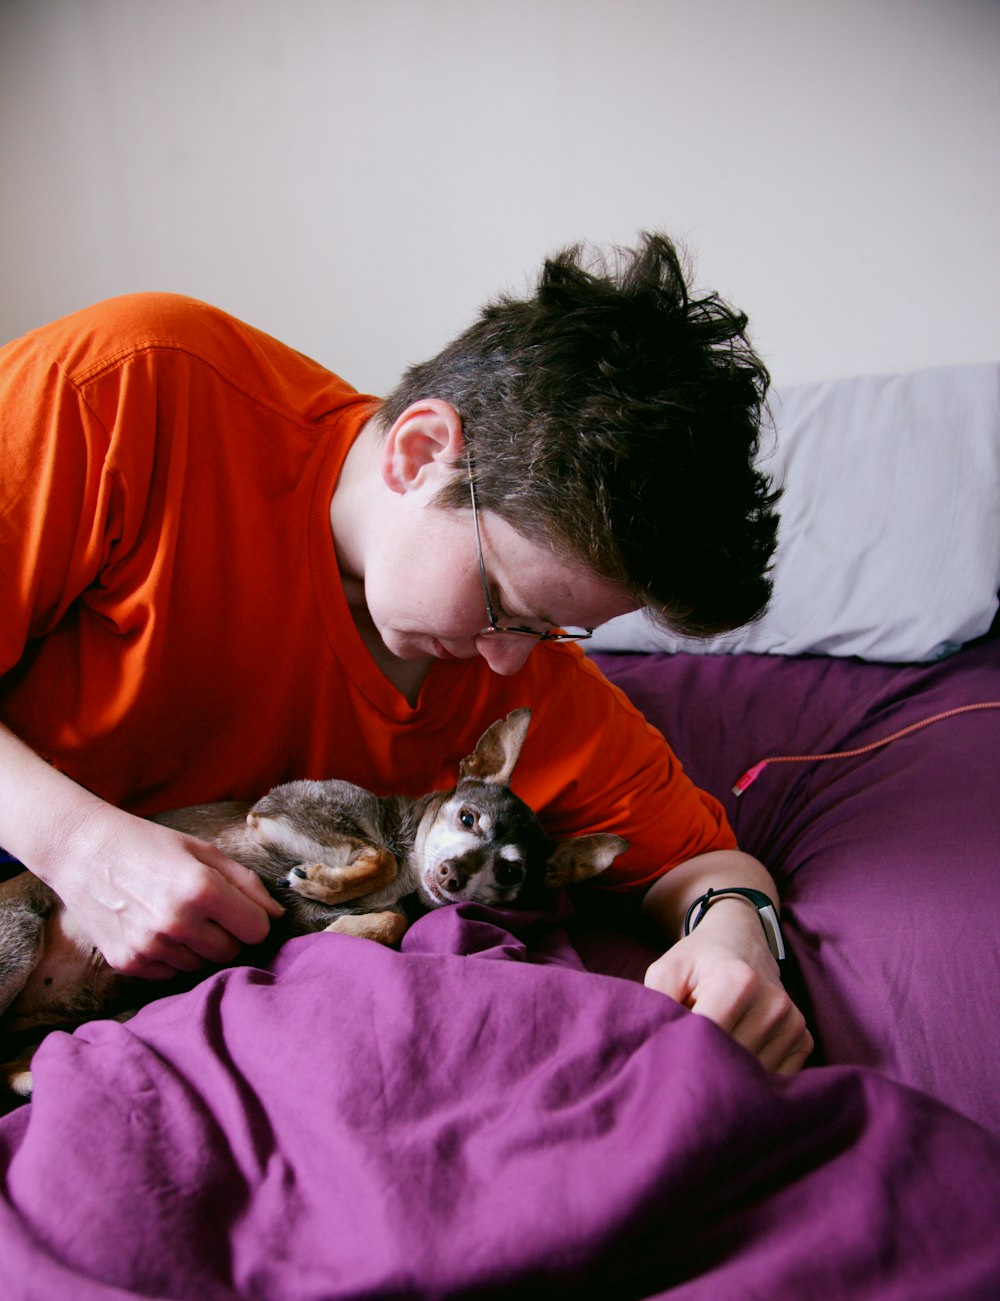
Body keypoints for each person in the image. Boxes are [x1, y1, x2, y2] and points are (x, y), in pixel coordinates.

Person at [0, 233, 812, 1075]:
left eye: (553, 631)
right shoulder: (143, 384)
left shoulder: (529, 687)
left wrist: (737, 936)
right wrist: (76, 845)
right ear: (420, 453)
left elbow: (704, 864)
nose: (507, 663)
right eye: (508, 606)